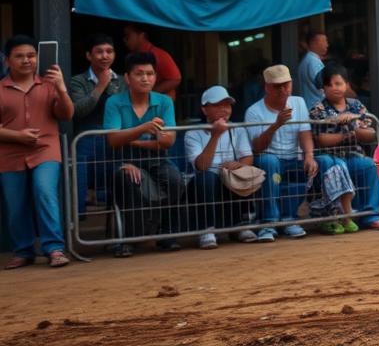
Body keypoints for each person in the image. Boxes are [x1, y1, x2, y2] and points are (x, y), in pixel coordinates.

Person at [0, 36, 74, 269]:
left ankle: (54, 248)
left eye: (31, 55)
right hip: (9, 152)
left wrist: (61, 89)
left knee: (44, 191)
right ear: (7, 61)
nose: (26, 60)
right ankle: (23, 251)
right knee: (16, 204)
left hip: (45, 148)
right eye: (19, 56)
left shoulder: (49, 84)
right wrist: (17, 136)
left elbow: (66, 114)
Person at [104, 51, 184, 257]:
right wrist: (144, 129)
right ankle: (131, 239)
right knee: (127, 178)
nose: (145, 78)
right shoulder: (114, 102)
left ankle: (166, 234)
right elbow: (113, 140)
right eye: (139, 74)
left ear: (156, 77)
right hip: (124, 158)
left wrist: (131, 137)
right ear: (127, 78)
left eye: (150, 74)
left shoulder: (164, 101)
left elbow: (168, 141)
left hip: (157, 158)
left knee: (175, 180)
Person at [245, 64, 334, 241]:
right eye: (277, 86)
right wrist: (276, 125)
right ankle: (269, 223)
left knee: (324, 161)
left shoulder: (298, 102)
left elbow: (304, 133)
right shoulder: (254, 111)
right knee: (270, 162)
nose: (283, 89)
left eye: (286, 84)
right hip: (270, 161)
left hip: (294, 158)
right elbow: (257, 148)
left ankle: (296, 219)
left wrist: (309, 155)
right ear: (267, 87)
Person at [310, 66, 379, 233]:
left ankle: (371, 216)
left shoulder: (356, 106)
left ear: (347, 85)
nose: (335, 88)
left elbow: (371, 134)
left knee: (371, 165)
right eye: (330, 84)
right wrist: (341, 128)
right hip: (329, 157)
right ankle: (340, 215)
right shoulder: (318, 109)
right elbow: (321, 140)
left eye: (339, 83)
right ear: (324, 88)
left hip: (353, 156)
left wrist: (351, 125)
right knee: (335, 165)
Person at [184, 86, 257, 249]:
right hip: (205, 184)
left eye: (227, 105)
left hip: (229, 180)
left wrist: (238, 165)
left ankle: (242, 224)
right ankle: (207, 230)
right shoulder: (193, 133)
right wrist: (215, 134)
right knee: (207, 177)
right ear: (205, 109)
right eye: (218, 105)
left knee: (244, 172)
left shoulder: (237, 129)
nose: (224, 109)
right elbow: (202, 166)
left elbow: (247, 157)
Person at [67, 33, 123, 218]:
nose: (105, 56)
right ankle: (79, 213)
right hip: (87, 137)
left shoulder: (123, 81)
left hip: (115, 137)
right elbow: (78, 111)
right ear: (89, 55)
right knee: (80, 161)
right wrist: (101, 85)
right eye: (99, 52)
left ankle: (112, 210)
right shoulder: (78, 81)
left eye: (109, 51)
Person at [122, 23, 181, 99]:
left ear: (141, 35)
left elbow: (175, 79)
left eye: (127, 36)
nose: (124, 40)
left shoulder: (159, 54)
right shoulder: (130, 56)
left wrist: (150, 92)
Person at [295, 29, 328, 108]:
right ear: (313, 43)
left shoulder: (306, 59)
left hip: (308, 107)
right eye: (324, 41)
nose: (327, 45)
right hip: (317, 109)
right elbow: (324, 88)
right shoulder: (313, 61)